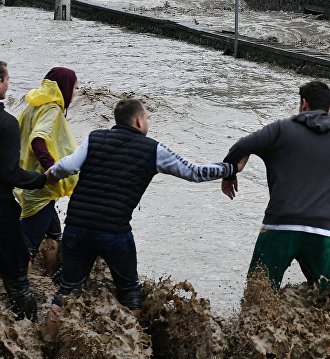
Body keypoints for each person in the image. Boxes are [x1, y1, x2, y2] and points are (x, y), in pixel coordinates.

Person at [45, 98, 247, 340]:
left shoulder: (95, 138)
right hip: (114, 232)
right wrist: (230, 169)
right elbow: (194, 172)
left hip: (76, 227)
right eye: (147, 118)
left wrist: (41, 181)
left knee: (68, 290)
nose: (148, 122)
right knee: (130, 293)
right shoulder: (153, 149)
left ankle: (49, 344)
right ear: (139, 120)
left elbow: (63, 168)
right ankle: (128, 354)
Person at [221, 80, 330, 290]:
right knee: (326, 300)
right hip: (323, 232)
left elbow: (241, 146)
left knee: (259, 294)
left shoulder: (280, 130)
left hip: (280, 226)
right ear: (329, 107)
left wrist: (229, 174)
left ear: (303, 104)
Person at [15, 67, 79, 274]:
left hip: (27, 183)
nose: (76, 92)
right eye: (75, 87)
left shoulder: (32, 107)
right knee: (27, 248)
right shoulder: (51, 109)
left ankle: (50, 277)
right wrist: (51, 170)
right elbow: (38, 139)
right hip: (40, 190)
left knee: (54, 235)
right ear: (65, 88)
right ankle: (18, 294)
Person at [0, 61, 47, 321]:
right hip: (2, 209)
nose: (9, 84)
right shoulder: (6, 124)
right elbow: (9, 173)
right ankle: (28, 339)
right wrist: (41, 180)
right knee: (18, 279)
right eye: (7, 79)